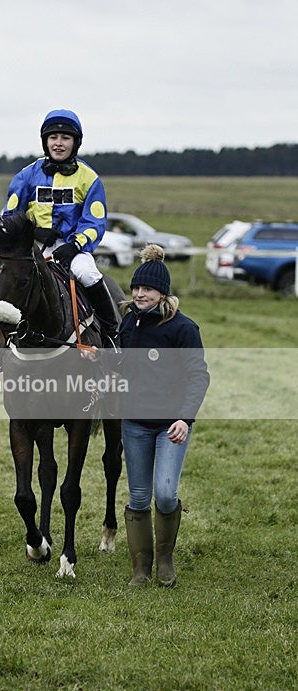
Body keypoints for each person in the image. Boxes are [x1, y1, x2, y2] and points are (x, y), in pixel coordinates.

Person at [119, 244, 210, 587]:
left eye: (147, 289)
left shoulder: (183, 329)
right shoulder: (129, 323)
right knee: (139, 497)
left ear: (162, 293)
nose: (140, 294)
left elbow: (198, 375)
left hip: (171, 426)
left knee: (167, 493)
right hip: (134, 423)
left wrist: (185, 419)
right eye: (137, 288)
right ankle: (141, 567)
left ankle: (166, 560)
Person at [2, 108, 120, 348]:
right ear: (45, 141)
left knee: (88, 274)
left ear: (75, 143)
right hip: (33, 248)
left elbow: (95, 222)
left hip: (72, 249)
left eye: (65, 138)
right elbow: (10, 215)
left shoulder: (89, 178)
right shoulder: (26, 175)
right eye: (53, 137)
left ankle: (111, 334)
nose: (58, 143)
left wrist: (75, 244)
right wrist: (31, 231)